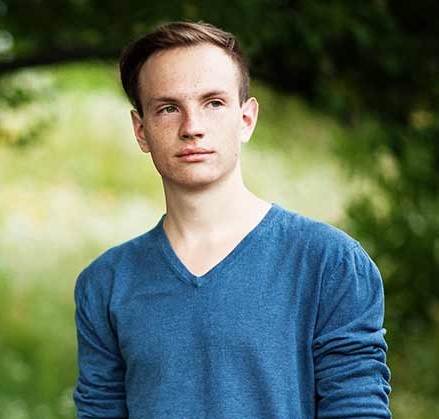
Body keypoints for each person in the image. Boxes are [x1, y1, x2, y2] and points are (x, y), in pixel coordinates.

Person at [73, 21, 391, 419]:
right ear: (141, 131)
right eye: (169, 108)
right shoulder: (105, 284)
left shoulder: (330, 263)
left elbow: (357, 409)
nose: (192, 128)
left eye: (213, 103)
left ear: (246, 119)